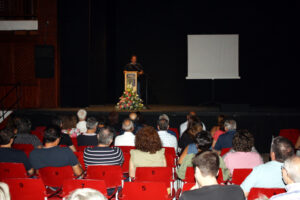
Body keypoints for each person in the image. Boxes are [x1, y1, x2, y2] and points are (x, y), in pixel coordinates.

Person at [179, 151, 244, 200]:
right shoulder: (237, 191)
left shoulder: (187, 197)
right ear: (218, 172)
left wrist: (192, 192)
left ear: (197, 171)